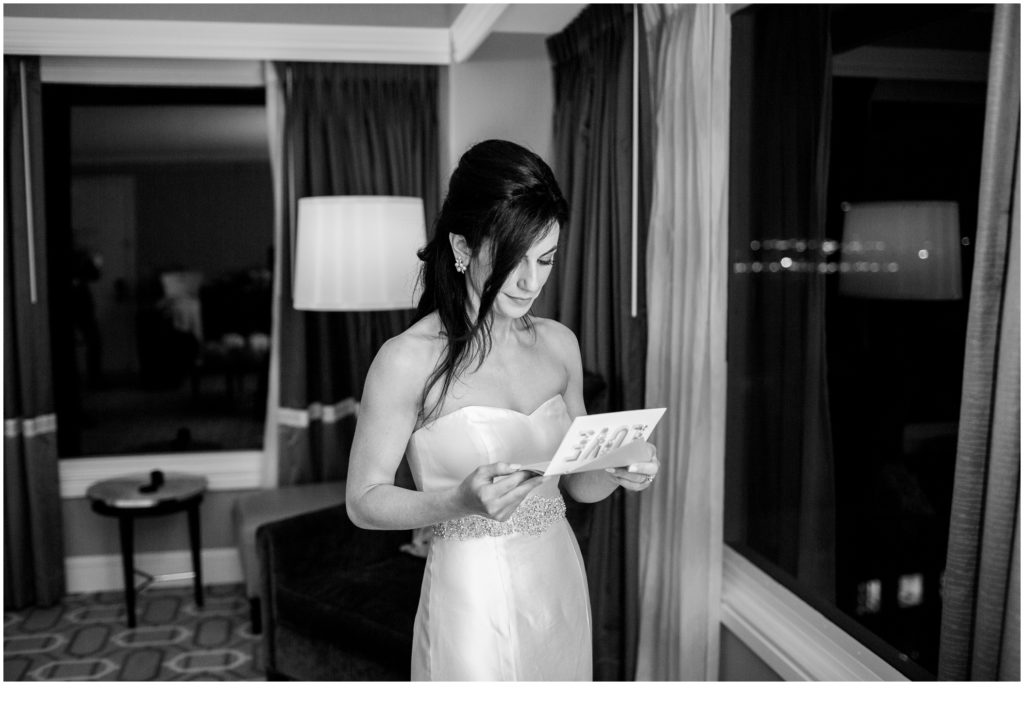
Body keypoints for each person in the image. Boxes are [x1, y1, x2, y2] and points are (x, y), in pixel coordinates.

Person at [346, 139, 660, 681]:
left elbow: (576, 485)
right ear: (463, 247)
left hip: (558, 577)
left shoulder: (560, 344)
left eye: (546, 260)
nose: (531, 283)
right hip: (473, 595)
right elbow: (362, 500)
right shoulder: (406, 361)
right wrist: (454, 501)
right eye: (514, 260)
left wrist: (617, 466)